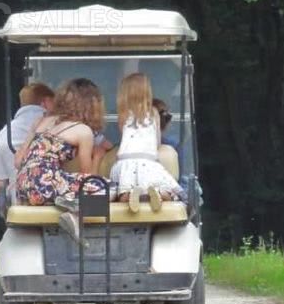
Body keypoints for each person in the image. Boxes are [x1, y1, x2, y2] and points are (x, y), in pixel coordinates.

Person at [14, 78, 109, 243]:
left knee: (66, 181)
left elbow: (18, 161)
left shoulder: (42, 121)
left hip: (23, 186)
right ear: (92, 106)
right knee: (102, 186)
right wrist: (98, 157)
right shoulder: (83, 131)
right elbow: (87, 177)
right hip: (44, 183)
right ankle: (73, 212)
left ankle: (66, 201)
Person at [111, 73, 185, 213]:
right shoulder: (154, 113)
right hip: (148, 161)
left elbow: (124, 137)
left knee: (122, 193)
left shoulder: (123, 114)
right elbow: (157, 141)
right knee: (168, 192)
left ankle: (129, 195)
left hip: (125, 162)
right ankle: (159, 194)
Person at [0, 83, 55, 197]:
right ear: (46, 101)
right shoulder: (60, 126)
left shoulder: (6, 133)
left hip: (20, 203)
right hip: (58, 200)